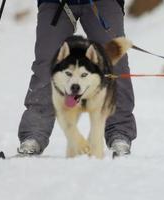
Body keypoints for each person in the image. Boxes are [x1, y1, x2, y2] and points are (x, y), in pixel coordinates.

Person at [17, 0, 136, 157]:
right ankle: (33, 135)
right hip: (55, 3)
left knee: (114, 60)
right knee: (47, 62)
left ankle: (120, 133)